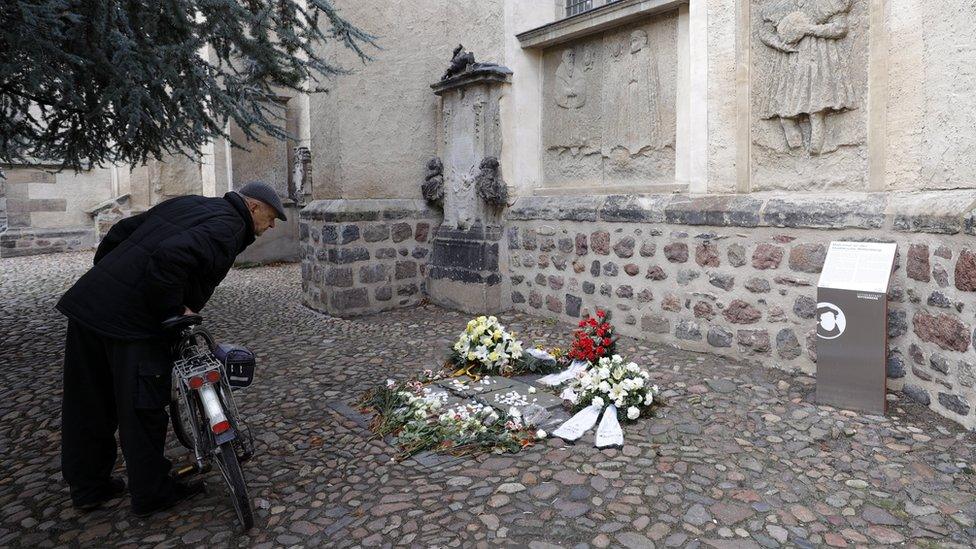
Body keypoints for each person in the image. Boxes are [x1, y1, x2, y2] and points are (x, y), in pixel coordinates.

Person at [56, 181, 286, 517]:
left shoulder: (193, 203)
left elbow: (121, 232)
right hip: (134, 323)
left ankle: (89, 488)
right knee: (142, 406)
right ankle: (152, 493)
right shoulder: (229, 226)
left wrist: (111, 278)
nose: (272, 225)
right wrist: (173, 311)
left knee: (89, 402)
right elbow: (170, 259)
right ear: (252, 207)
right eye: (271, 216)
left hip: (91, 306)